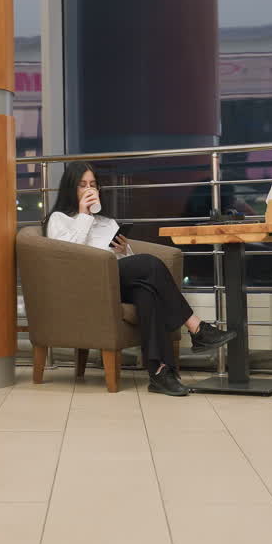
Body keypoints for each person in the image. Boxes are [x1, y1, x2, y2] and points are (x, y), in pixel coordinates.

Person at [43, 162, 237, 397]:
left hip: (117, 281)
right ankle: (197, 328)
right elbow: (67, 256)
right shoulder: (59, 219)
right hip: (88, 285)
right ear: (70, 188)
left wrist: (124, 251)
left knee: (147, 290)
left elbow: (134, 266)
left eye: (93, 185)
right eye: (82, 185)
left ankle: (160, 373)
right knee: (149, 266)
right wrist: (84, 215)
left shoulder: (107, 222)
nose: (89, 189)